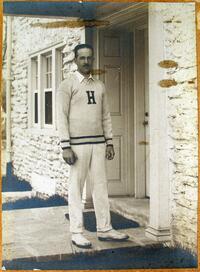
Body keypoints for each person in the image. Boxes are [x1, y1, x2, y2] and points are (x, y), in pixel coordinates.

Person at [56, 43, 129, 248]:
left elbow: (105, 116)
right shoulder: (67, 85)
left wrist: (109, 142)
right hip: (77, 146)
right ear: (75, 60)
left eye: (89, 58)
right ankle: (76, 231)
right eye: (82, 58)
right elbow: (61, 117)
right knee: (76, 188)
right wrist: (65, 146)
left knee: (100, 186)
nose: (86, 61)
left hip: (98, 144)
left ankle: (105, 229)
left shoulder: (99, 85)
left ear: (93, 59)